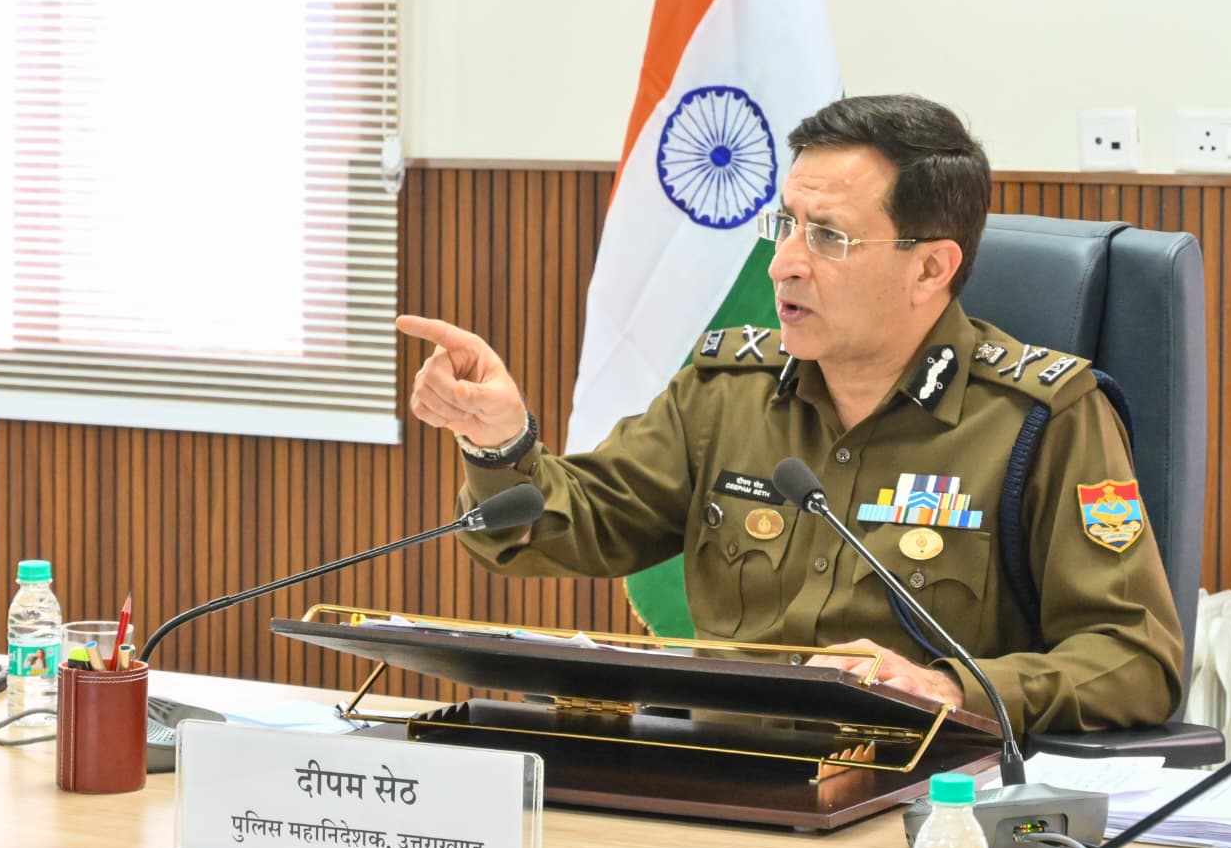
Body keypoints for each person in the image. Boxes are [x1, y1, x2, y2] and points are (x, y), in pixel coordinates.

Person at [398, 93, 1184, 736]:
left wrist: (952, 687)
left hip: (925, 804)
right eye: (785, 225)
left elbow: (1137, 659)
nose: (784, 263)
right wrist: (500, 441)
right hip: (723, 786)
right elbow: (567, 526)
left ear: (931, 267)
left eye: (829, 237)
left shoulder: (1043, 418)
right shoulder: (727, 390)